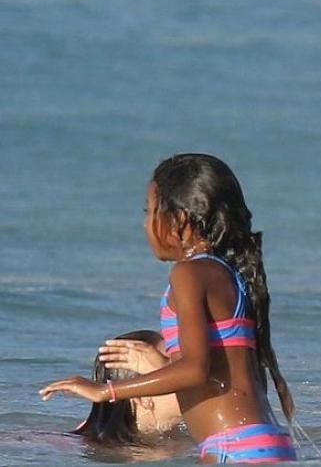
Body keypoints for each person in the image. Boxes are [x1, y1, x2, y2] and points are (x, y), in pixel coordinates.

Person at [42, 153, 299, 463]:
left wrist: (106, 391)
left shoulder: (189, 273)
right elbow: (226, 373)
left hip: (234, 447)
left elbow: (195, 370)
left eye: (150, 211)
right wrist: (162, 363)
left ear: (179, 219)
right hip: (264, 441)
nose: (146, 223)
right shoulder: (228, 274)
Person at [72, 330, 183, 443]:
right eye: (173, 369)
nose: (189, 375)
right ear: (141, 395)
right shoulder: (86, 448)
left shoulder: (182, 436)